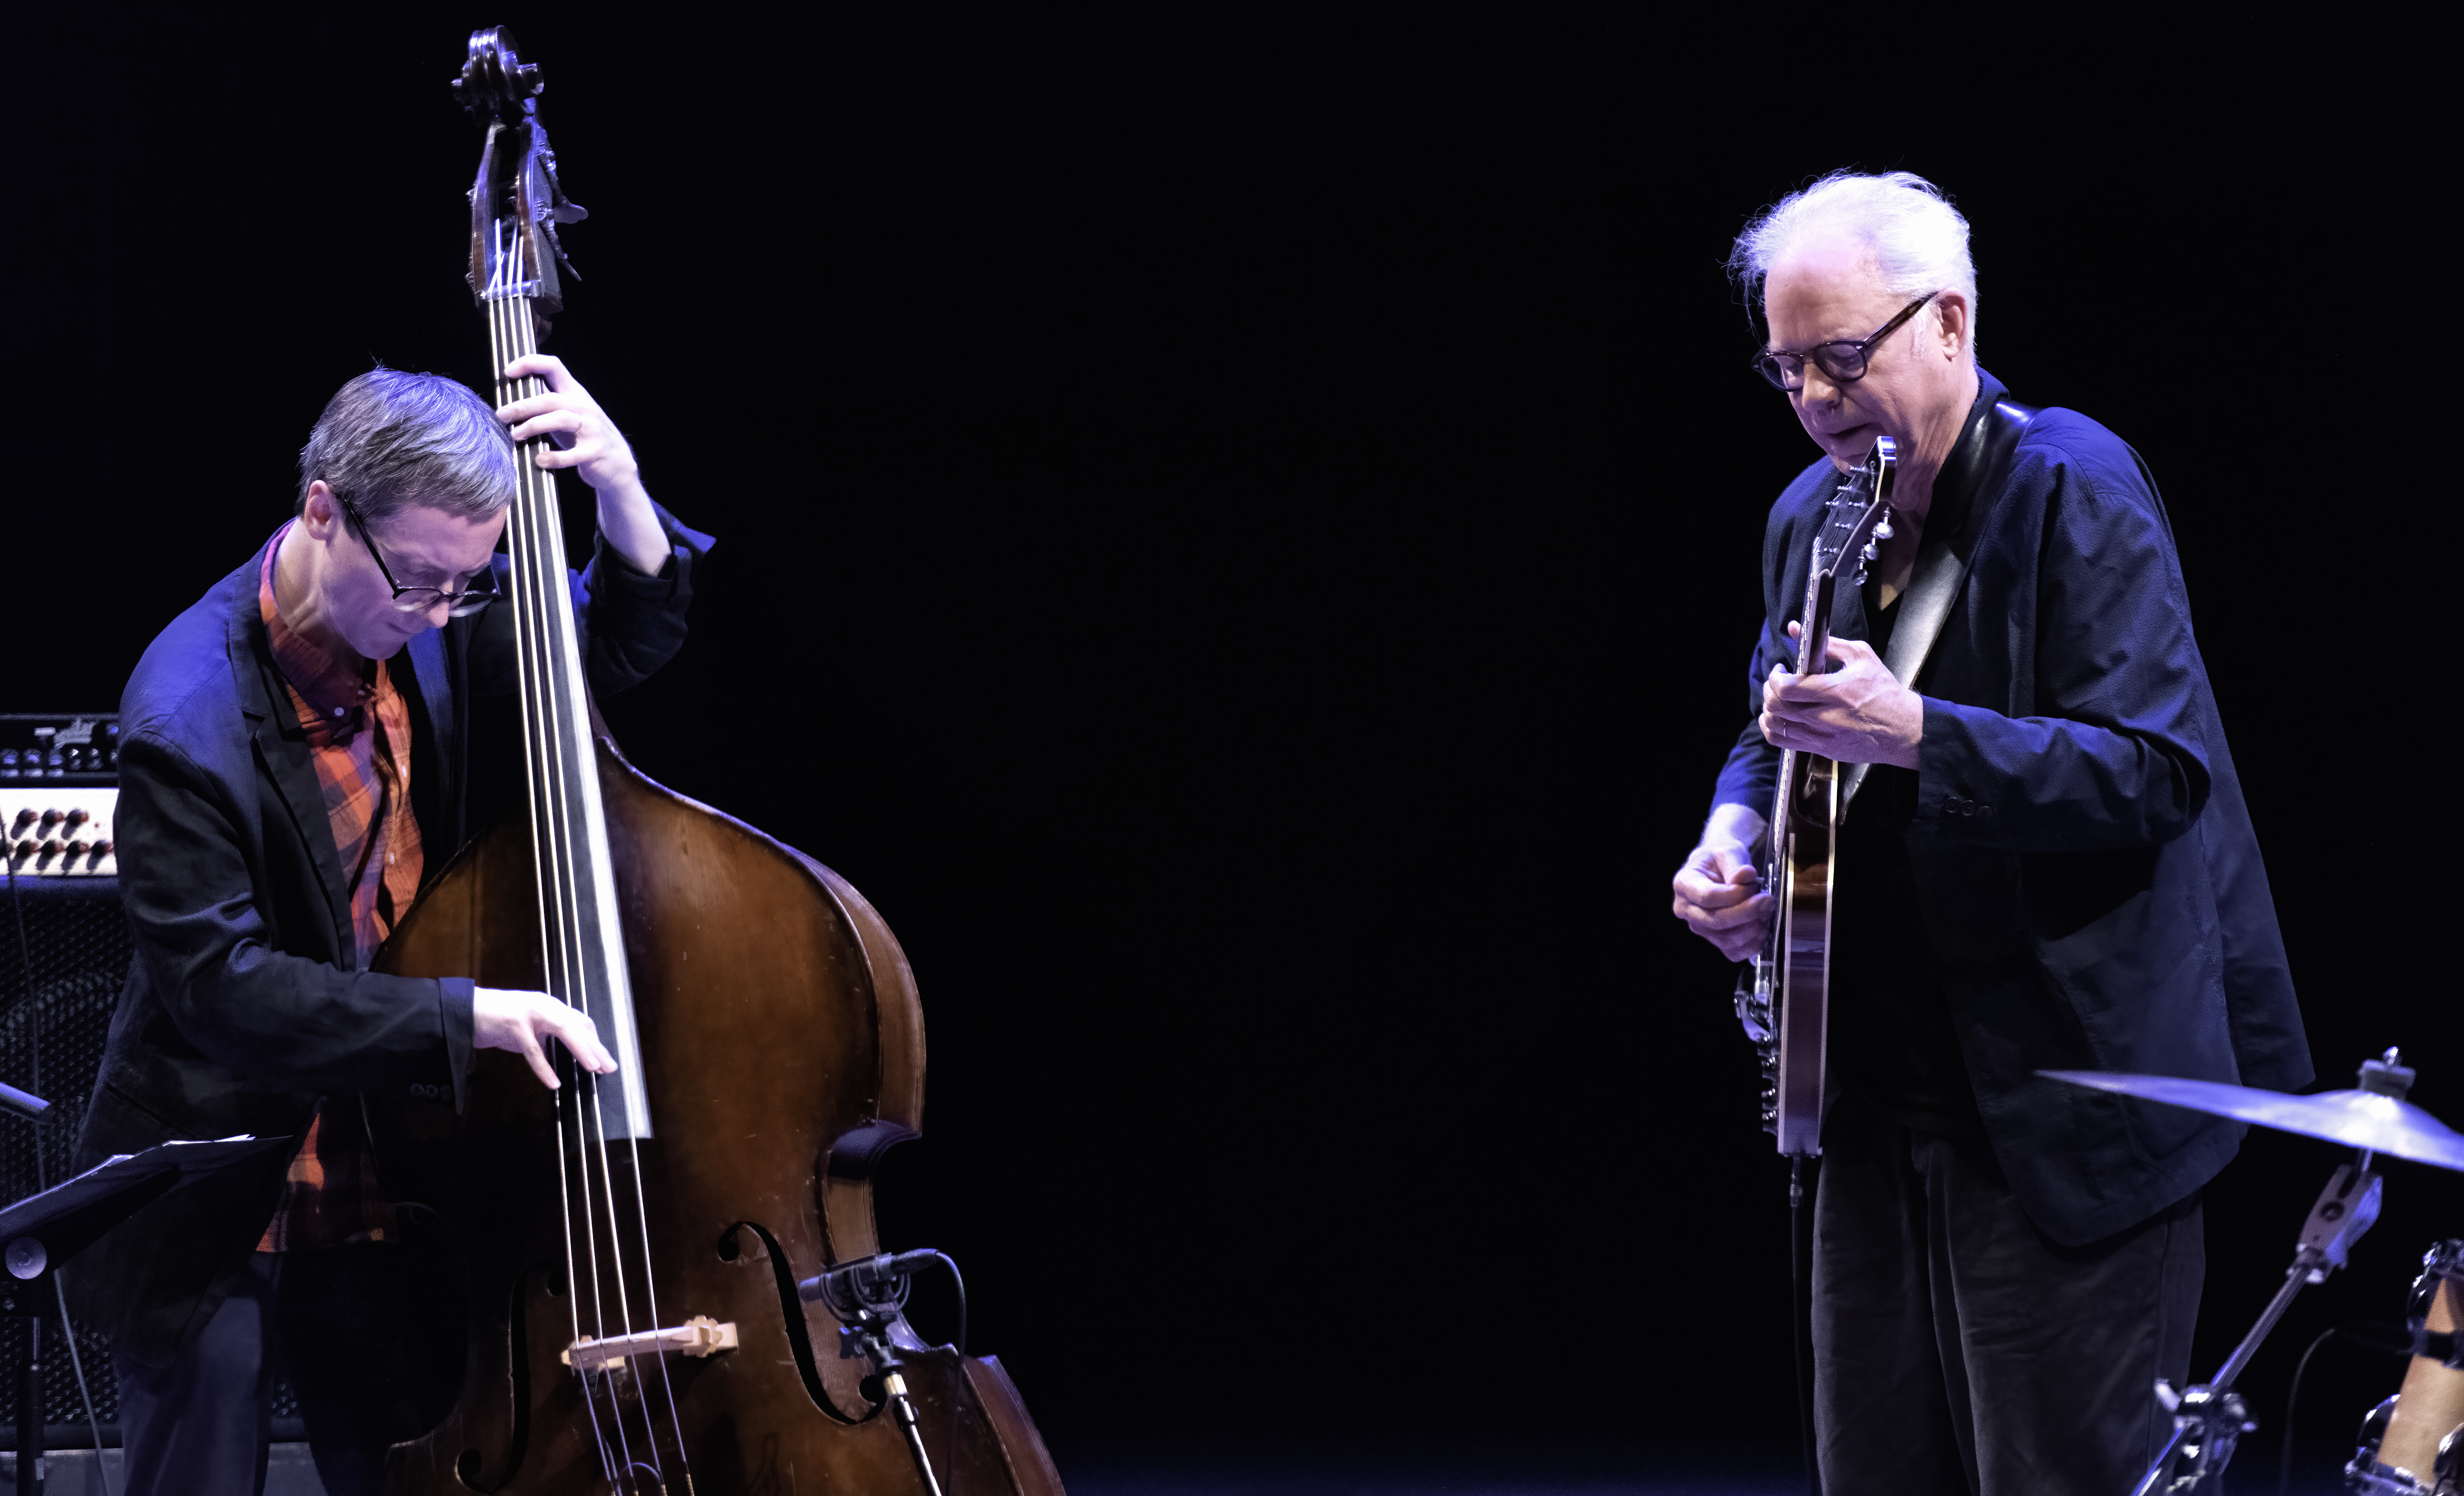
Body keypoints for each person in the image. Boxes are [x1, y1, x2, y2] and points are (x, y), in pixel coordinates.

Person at [1668, 171, 2310, 1495]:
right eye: (1785, 369)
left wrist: (1915, 734)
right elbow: (1772, 723)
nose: (1813, 400)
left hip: (2060, 1108)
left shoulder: (2073, 485)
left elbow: (2158, 776)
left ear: (1948, 324)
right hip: (1869, 1093)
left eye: (1843, 358)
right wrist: (1734, 831)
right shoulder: (1811, 513)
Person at [68, 355, 714, 1496]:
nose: (437, 614)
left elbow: (604, 650)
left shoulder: (439, 601)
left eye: (465, 587)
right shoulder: (186, 719)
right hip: (227, 1189)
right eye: (418, 582)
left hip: (400, 1172)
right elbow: (227, 992)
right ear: (324, 508)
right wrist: (466, 1016)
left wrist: (618, 488)